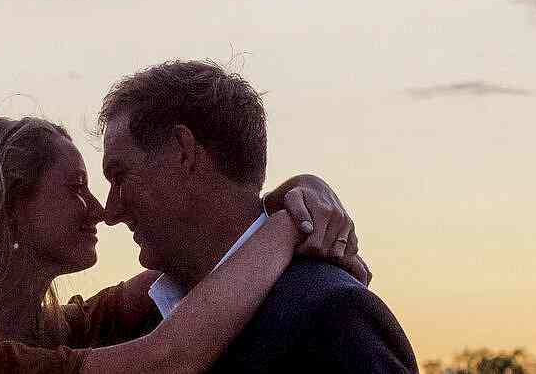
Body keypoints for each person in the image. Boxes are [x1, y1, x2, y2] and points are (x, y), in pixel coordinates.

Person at [0, 115, 368, 373]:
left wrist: (302, 190)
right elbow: (169, 357)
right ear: (10, 210)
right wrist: (288, 223)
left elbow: (212, 257)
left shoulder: (59, 332)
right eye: (76, 187)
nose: (99, 209)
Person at [99, 60, 416, 372]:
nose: (111, 213)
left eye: (119, 175)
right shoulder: (143, 329)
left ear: (183, 150)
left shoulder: (334, 315)